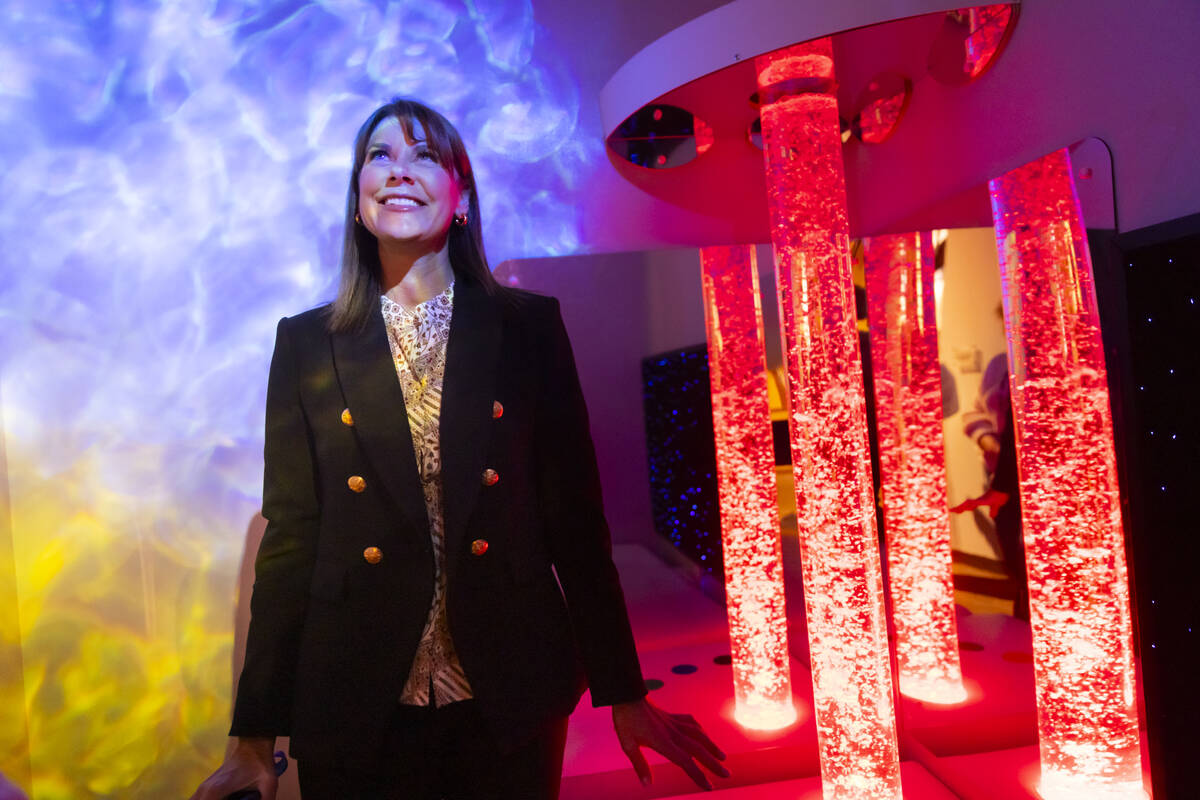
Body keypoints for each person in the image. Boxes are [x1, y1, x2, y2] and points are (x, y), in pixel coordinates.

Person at [189, 98, 727, 800]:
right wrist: (253, 737)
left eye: (424, 155)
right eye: (378, 156)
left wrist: (625, 690)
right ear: (357, 202)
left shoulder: (527, 329)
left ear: (462, 195)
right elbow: (291, 543)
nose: (398, 171)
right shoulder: (306, 343)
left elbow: (574, 524)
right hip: (355, 700)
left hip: (507, 698)